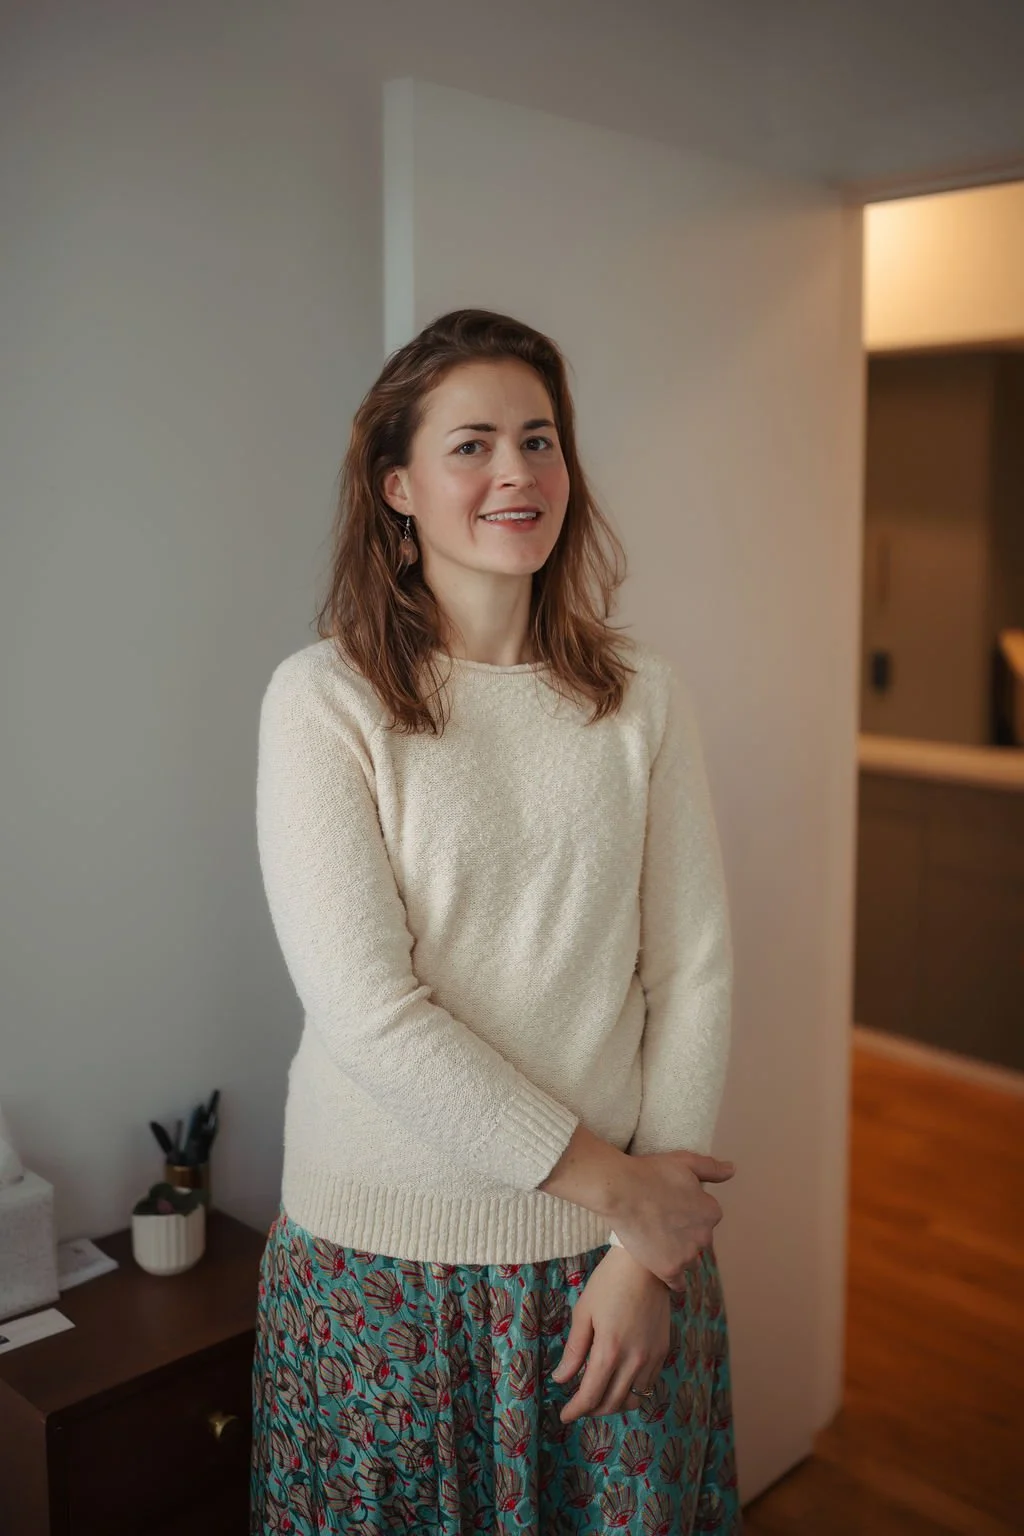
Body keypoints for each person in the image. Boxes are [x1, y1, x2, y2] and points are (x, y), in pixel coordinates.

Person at [251, 307, 742, 1534]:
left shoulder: (642, 700)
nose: (516, 471)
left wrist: (644, 1248)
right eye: (471, 445)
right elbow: (367, 1007)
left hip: (614, 1268)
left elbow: (691, 970)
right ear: (398, 486)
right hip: (385, 1277)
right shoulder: (326, 699)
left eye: (539, 438)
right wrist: (615, 1187)